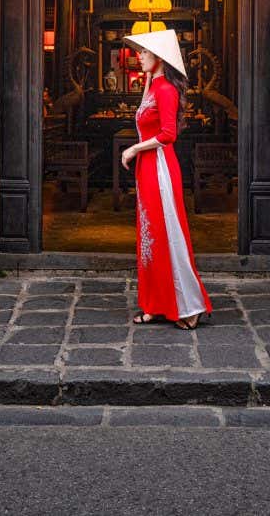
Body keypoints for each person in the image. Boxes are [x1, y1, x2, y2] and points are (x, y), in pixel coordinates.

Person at [120, 29, 212, 330]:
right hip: (147, 168)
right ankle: (154, 304)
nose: (139, 56)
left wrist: (134, 147)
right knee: (149, 237)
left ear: (159, 57)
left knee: (167, 233)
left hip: (159, 167)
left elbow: (168, 135)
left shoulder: (166, 90)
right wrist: (148, 78)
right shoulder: (153, 86)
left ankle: (189, 306)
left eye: (145, 52)